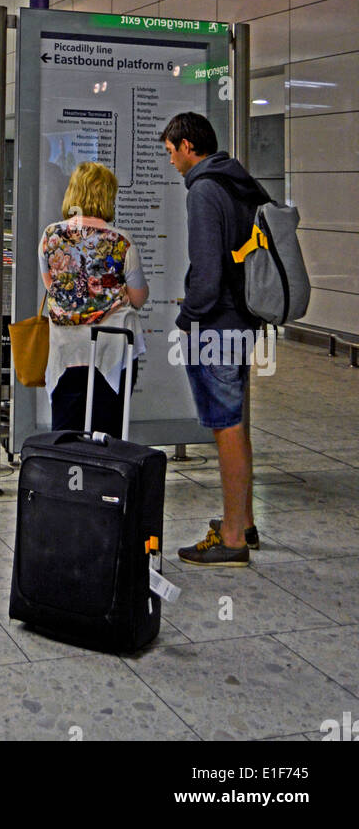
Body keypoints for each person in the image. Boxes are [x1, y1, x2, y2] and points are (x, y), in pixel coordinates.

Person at [161, 111, 268, 567]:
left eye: (170, 152)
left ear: (188, 146)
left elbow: (206, 275)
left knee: (224, 425)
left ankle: (231, 539)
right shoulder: (238, 181)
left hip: (217, 325)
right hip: (242, 319)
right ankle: (242, 522)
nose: (170, 162)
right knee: (235, 421)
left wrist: (187, 318)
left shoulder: (204, 190)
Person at [39, 162, 148, 435]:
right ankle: (103, 474)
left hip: (65, 348)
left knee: (65, 429)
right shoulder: (121, 241)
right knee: (108, 428)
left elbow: (52, 285)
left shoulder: (51, 236)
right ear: (106, 196)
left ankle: (70, 475)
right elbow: (138, 297)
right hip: (111, 346)